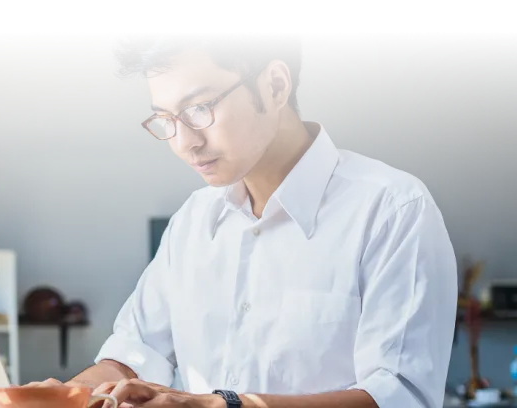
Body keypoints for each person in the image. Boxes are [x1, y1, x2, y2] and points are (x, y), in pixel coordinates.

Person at [24, 32, 458, 408]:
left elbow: (399, 396)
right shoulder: (194, 222)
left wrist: (225, 404)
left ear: (275, 85)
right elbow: (134, 353)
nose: (185, 143)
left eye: (199, 108)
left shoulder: (392, 210)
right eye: (165, 119)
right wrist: (68, 393)